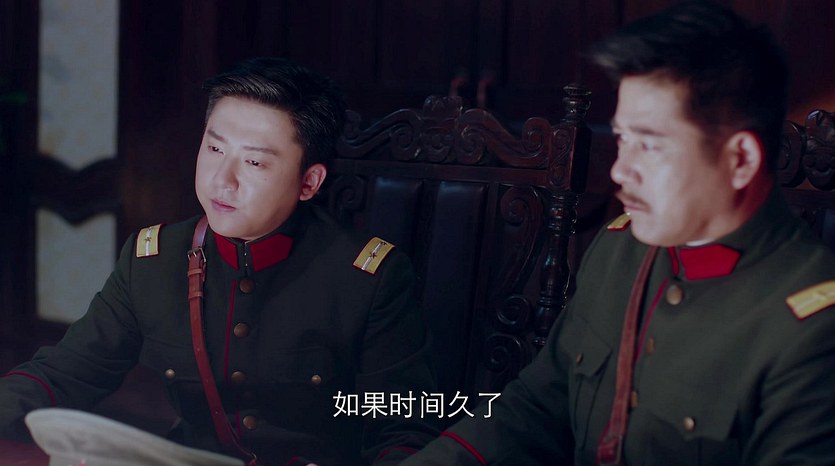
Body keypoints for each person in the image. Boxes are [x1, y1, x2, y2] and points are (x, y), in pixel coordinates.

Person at [399, 2, 835, 465]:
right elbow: (537, 406)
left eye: (649, 145)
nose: (620, 171)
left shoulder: (813, 330)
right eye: (623, 138)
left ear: (740, 160)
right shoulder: (620, 249)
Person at [0, 57, 438, 466]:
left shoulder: (367, 279)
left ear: (309, 182)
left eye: (254, 162)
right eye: (214, 149)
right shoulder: (153, 260)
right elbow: (64, 373)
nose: (222, 180)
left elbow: (406, 430)